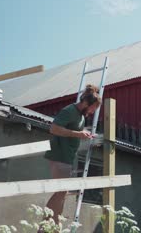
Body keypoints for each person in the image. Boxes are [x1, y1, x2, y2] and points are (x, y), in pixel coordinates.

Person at [45, 84, 101, 223]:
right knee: (60, 192)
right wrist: (78, 133)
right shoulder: (69, 110)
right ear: (86, 103)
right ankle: (45, 227)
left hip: (67, 157)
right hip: (59, 156)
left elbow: (73, 132)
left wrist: (84, 135)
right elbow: (54, 128)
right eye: (93, 108)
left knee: (62, 193)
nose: (93, 111)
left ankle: (53, 226)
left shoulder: (80, 116)